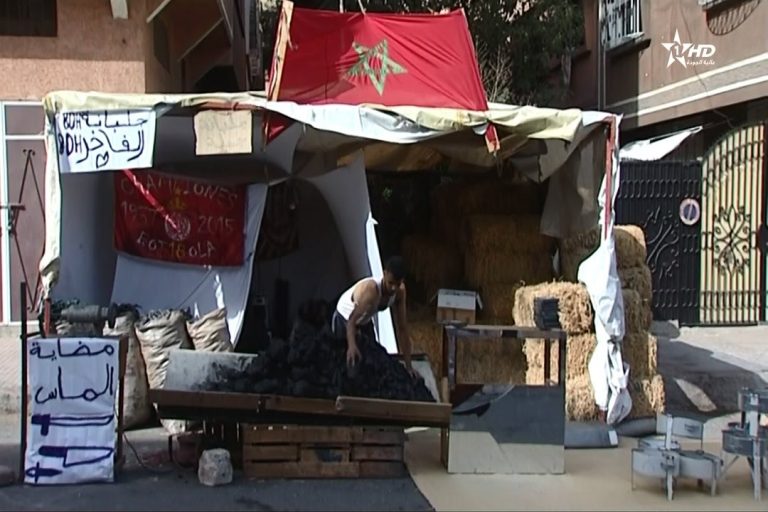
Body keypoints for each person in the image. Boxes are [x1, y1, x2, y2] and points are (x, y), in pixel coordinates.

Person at [332, 256, 414, 374]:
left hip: (365, 319)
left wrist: (409, 367)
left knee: (374, 360)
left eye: (397, 284)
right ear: (384, 274)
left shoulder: (400, 292)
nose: (393, 288)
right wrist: (352, 346)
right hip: (345, 317)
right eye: (390, 283)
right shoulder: (372, 290)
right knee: (350, 363)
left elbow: (402, 328)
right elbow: (351, 321)